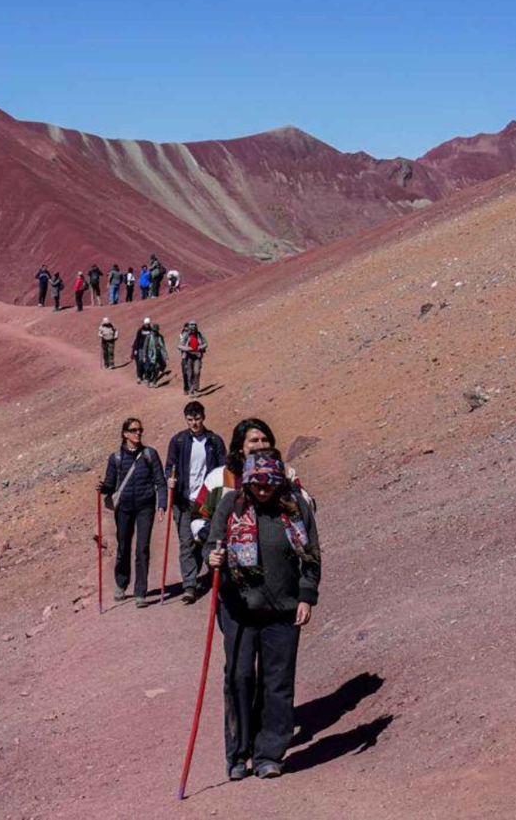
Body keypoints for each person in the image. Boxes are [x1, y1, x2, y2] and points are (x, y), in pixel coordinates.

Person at [202, 450, 320, 780]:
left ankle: (269, 753)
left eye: (270, 483)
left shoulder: (295, 507)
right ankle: (238, 754)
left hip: (284, 611)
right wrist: (212, 556)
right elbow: (211, 544)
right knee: (239, 679)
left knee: (277, 683)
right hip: (239, 609)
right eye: (257, 483)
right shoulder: (231, 505)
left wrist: (306, 596)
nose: (264, 490)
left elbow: (311, 557)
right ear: (248, 481)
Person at [98, 417, 167, 606]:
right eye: (134, 430)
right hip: (124, 509)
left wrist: (162, 504)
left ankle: (140, 593)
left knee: (142, 548)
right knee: (123, 547)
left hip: (145, 506)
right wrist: (103, 488)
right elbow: (111, 484)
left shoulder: (150, 455)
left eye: (140, 430)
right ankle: (121, 584)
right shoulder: (116, 458)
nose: (138, 433)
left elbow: (160, 482)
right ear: (125, 434)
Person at [164, 401, 226, 602]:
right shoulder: (178, 441)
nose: (194, 423)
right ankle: (189, 586)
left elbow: (223, 469)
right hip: (183, 499)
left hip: (207, 501)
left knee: (204, 538)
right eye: (190, 420)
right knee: (186, 542)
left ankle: (209, 575)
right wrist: (170, 479)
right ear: (186, 420)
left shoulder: (214, 441)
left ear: (203, 417)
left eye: (197, 419)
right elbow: (169, 466)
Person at [178, 320, 208, 396]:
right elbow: (179, 345)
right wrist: (188, 348)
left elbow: (205, 343)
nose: (193, 329)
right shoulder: (186, 335)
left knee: (197, 372)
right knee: (190, 373)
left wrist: (200, 347)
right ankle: (191, 390)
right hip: (188, 357)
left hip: (197, 356)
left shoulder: (199, 334)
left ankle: (196, 389)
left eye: (194, 327)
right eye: (192, 328)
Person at [141, 321, 169, 386]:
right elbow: (145, 346)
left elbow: (163, 347)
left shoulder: (160, 337)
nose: (155, 332)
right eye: (154, 331)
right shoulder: (149, 337)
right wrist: (144, 356)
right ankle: (148, 379)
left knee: (157, 367)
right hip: (150, 355)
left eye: (156, 331)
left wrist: (166, 356)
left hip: (158, 355)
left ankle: (154, 381)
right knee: (148, 369)